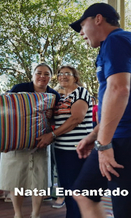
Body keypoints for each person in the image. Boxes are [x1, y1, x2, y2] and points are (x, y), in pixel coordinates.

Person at [69, 3, 131, 218]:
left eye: (82, 26)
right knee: (84, 193)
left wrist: (104, 145)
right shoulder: (114, 45)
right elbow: (115, 102)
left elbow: (119, 89)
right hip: (120, 136)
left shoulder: (116, 40)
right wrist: (94, 136)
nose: (82, 34)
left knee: (129, 212)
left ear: (98, 19)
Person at [0, 63, 60, 218]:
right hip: (16, 143)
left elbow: (56, 122)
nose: (42, 77)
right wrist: (4, 140)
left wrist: (51, 118)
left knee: (39, 180)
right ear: (33, 74)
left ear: (50, 77)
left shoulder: (54, 95)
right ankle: (18, 214)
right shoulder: (19, 88)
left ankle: (35, 214)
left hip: (40, 144)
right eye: (39, 73)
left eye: (46, 74)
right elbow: (6, 113)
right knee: (15, 179)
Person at [36, 65, 93, 217]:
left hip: (77, 149)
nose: (63, 76)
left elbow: (76, 118)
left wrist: (52, 135)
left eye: (67, 74)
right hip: (61, 149)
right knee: (67, 188)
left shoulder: (80, 92)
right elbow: (58, 120)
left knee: (77, 189)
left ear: (76, 77)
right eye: (60, 74)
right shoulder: (61, 99)